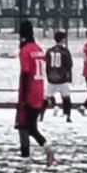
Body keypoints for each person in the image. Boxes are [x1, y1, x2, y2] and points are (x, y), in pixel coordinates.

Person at [15, 20, 55, 165]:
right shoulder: (38, 49)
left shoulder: (25, 50)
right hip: (39, 90)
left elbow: (26, 73)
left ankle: (26, 157)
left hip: (29, 91)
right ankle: (46, 148)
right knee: (31, 126)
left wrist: (23, 97)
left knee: (22, 126)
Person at [45, 31, 74, 122]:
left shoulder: (49, 51)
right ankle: (67, 115)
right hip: (62, 78)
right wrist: (68, 76)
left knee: (47, 96)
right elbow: (69, 64)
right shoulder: (65, 51)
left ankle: (41, 113)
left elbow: (47, 63)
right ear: (62, 39)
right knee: (66, 97)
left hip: (51, 78)